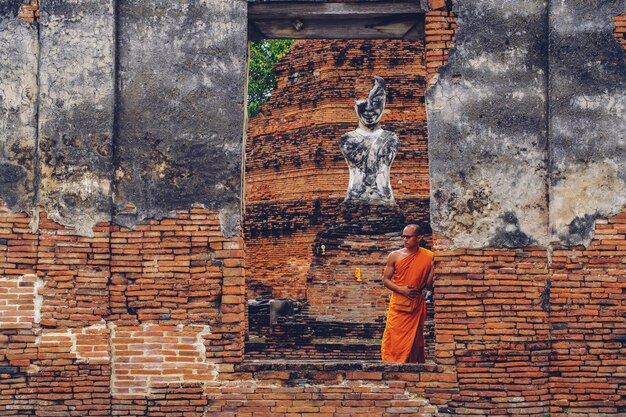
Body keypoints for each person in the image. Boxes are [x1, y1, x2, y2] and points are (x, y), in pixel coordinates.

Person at [340, 76, 399, 205]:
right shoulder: (347, 140)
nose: (369, 108)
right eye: (362, 101)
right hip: (354, 202)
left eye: (376, 101)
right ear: (354, 103)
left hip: (385, 201)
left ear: (384, 102)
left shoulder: (391, 139)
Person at [381, 224, 434, 363]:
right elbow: (386, 280)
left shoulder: (429, 257)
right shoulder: (395, 256)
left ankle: (411, 370)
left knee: (414, 340)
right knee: (393, 336)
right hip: (398, 304)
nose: (405, 239)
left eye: (408, 237)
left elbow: (429, 286)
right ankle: (391, 365)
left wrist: (434, 267)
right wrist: (401, 290)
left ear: (419, 238)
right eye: (403, 236)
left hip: (416, 304)